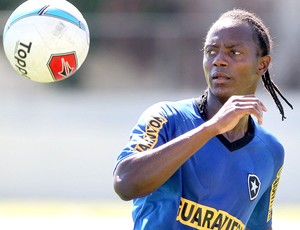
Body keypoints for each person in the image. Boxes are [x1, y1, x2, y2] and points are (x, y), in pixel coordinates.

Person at [113, 9, 293, 230]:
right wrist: (212, 128)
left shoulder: (271, 152)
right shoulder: (167, 118)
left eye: (234, 52)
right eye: (211, 51)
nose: (219, 61)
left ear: (262, 64)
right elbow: (125, 183)